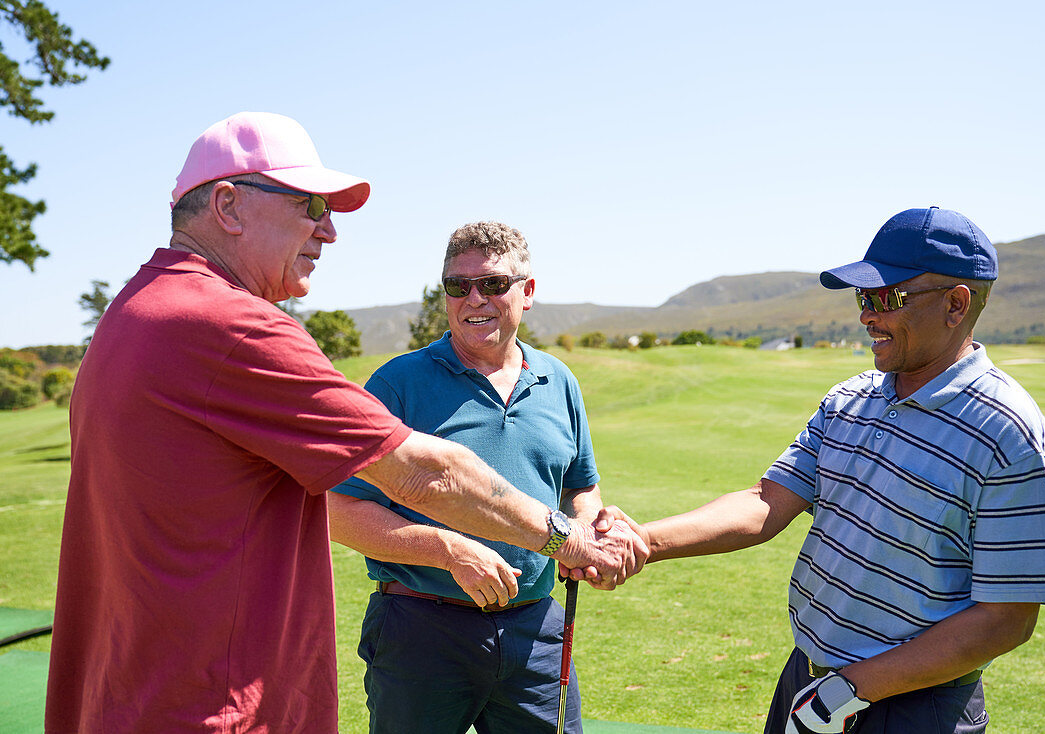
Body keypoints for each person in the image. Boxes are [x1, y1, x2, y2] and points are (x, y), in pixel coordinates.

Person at [45, 112, 638, 734]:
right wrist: (568, 542)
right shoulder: (232, 325)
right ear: (227, 205)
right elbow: (426, 475)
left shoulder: (135, 311)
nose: (328, 231)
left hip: (136, 694)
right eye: (309, 206)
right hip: (213, 707)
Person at [601, 207, 1045, 733]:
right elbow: (766, 502)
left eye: (886, 298)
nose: (866, 316)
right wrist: (643, 540)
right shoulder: (849, 399)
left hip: (916, 706)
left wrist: (852, 689)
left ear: (955, 304)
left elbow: (1007, 617)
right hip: (810, 678)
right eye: (863, 298)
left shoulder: (1008, 430)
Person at [328, 221, 633, 733]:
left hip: (535, 628)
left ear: (527, 292)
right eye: (457, 285)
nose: (474, 298)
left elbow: (579, 484)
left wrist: (589, 531)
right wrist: (447, 551)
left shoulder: (558, 380)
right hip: (421, 631)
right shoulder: (396, 384)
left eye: (492, 284)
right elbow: (337, 511)